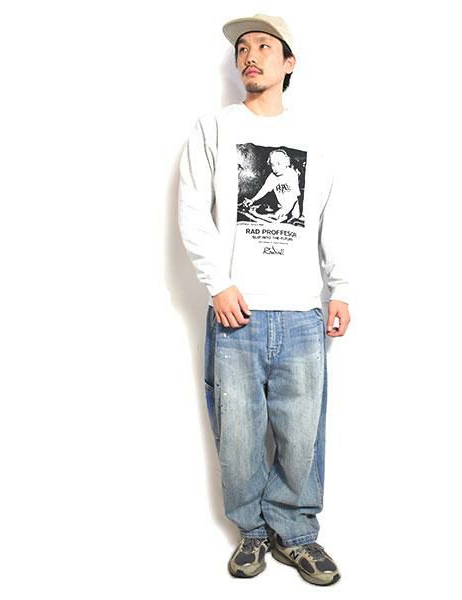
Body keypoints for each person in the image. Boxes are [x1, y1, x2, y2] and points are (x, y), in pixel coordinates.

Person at [177, 13, 350, 586]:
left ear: (288, 62)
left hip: (301, 312)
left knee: (302, 434)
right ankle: (252, 533)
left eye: (264, 47)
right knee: (238, 434)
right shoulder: (214, 128)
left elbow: (333, 217)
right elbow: (193, 210)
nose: (250, 56)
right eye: (242, 49)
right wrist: (217, 283)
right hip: (236, 313)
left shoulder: (316, 137)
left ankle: (296, 534)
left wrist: (342, 287)